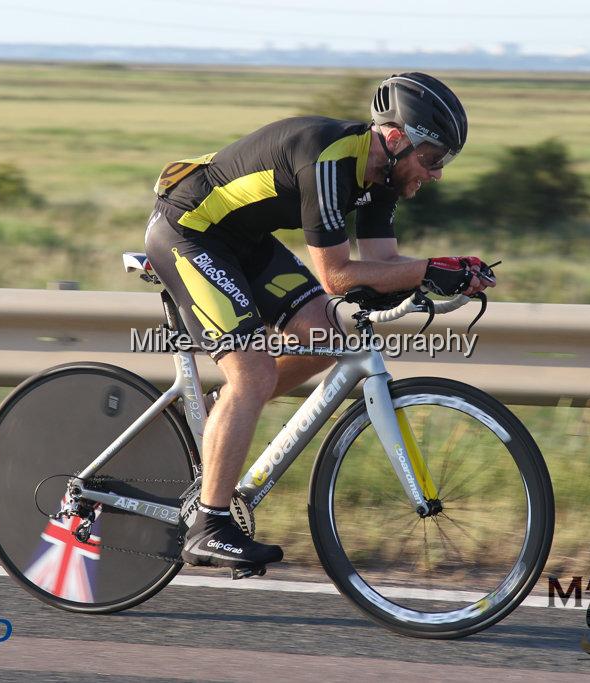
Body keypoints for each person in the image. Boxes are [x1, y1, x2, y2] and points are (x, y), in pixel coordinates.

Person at [143, 72, 495, 571]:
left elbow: (381, 263)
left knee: (328, 338)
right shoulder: (328, 158)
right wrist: (428, 268)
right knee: (254, 372)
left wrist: (444, 276)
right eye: (433, 159)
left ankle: (219, 412)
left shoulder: (381, 179)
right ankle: (207, 525)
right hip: (189, 233)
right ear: (395, 139)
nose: (437, 174)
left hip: (244, 242)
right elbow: (337, 276)